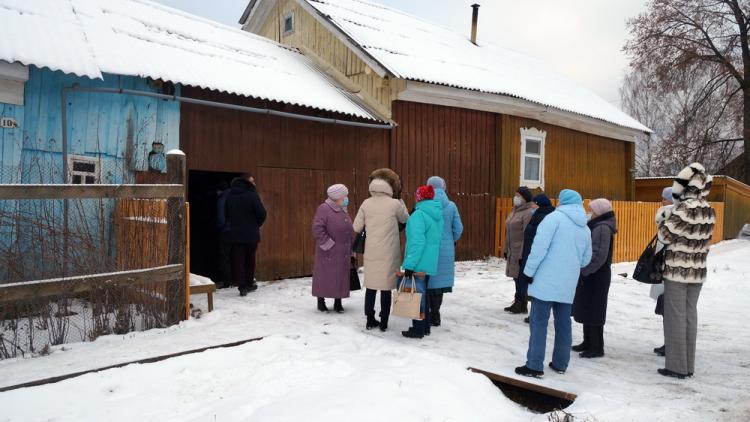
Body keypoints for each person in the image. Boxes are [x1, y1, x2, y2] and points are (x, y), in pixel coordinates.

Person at [515, 189, 592, 378]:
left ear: (562, 201)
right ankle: (560, 363)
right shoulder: (585, 226)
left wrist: (528, 272)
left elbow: (538, 248)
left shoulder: (553, 219)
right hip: (568, 282)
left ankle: (534, 365)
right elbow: (585, 260)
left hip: (545, 280)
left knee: (539, 322)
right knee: (564, 323)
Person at [657, 163, 715, 379]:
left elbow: (665, 236)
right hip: (697, 271)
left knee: (675, 316)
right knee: (690, 315)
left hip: (677, 271)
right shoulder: (709, 209)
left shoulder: (682, 208)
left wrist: (663, 220)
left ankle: (676, 367)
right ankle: (688, 365)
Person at [353, 174, 409, 331]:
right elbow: (405, 219)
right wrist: (400, 202)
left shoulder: (366, 203)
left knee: (371, 287)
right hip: (389, 253)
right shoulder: (394, 204)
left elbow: (356, 227)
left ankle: (370, 319)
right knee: (386, 288)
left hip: (371, 252)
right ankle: (384, 322)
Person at [572, 198, 617, 358]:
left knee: (595, 309)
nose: (589, 212)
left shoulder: (602, 228)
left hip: (596, 274)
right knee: (587, 307)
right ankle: (588, 341)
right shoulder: (597, 225)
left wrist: (586, 270)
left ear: (599, 211)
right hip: (592, 273)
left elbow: (599, 255)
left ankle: (596, 347)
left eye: (591, 210)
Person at [399, 185, 444, 339]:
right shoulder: (437, 214)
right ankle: (425, 327)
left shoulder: (418, 215)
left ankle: (418, 329)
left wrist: (410, 265)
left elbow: (417, 242)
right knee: (423, 296)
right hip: (429, 261)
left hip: (418, 262)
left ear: (419, 197)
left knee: (416, 297)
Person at [425, 176, 463, 327]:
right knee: (439, 285)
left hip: (428, 248)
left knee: (427, 281)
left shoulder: (424, 204)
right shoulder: (451, 206)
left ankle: (427, 312)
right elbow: (458, 228)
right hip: (446, 249)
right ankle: (436, 314)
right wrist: (449, 238)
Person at [312, 184, 353, 313]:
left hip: (342, 250)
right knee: (324, 276)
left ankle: (338, 302)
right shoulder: (324, 208)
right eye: (345, 196)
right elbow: (317, 228)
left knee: (340, 276)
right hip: (329, 251)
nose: (347, 198)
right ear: (337, 197)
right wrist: (328, 244)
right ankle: (321, 301)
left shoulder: (342, 208)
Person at [225, 173, 267, 296]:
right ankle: (249, 284)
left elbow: (226, 214)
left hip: (235, 234)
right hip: (251, 234)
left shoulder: (230, 196)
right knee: (250, 259)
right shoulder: (252, 195)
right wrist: (255, 225)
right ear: (247, 183)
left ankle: (242, 286)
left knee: (238, 260)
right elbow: (262, 214)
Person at [517, 193, 556, 323]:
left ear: (539, 204)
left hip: (536, 255)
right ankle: (535, 313)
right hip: (531, 253)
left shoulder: (542, 217)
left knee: (536, 285)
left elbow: (538, 239)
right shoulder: (539, 215)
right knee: (533, 285)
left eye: (534, 203)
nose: (532, 205)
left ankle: (536, 314)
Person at [504, 187, 535, 314]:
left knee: (521, 277)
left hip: (520, 249)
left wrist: (523, 254)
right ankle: (518, 301)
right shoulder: (515, 211)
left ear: (524, 198)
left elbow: (527, 235)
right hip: (512, 248)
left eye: (518, 195)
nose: (515, 198)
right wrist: (506, 249)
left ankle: (522, 302)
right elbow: (508, 232)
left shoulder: (528, 212)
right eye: (515, 195)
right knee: (515, 276)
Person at [651, 187, 674, 357]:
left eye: (664, 199)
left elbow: (664, 239)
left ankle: (671, 345)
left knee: (670, 309)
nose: (662, 202)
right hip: (668, 268)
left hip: (668, 269)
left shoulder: (668, 216)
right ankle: (670, 343)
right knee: (668, 308)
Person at [215, 180, 232, 289]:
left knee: (225, 256)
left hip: (226, 231)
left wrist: (218, 228)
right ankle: (237, 278)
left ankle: (226, 281)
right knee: (235, 255)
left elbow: (221, 219)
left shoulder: (222, 201)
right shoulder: (235, 197)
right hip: (237, 231)